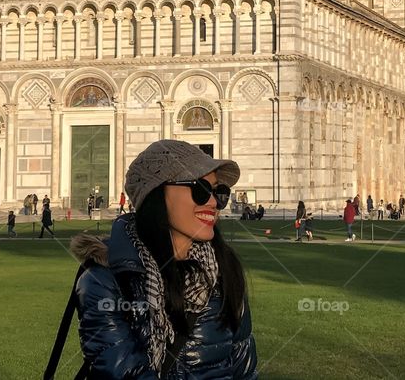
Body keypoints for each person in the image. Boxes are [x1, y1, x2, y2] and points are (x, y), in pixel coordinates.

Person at [58, 139, 257, 379]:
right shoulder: (107, 281)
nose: (214, 202)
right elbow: (127, 373)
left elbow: (244, 371)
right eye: (201, 189)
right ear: (156, 193)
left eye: (219, 192)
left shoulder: (224, 272)